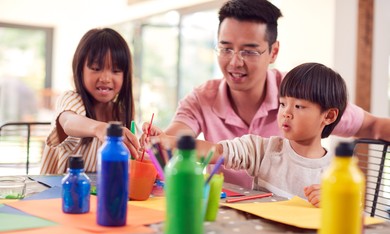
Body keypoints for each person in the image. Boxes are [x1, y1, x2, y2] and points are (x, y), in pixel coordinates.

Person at [142, 0, 390, 188]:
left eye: (249, 51)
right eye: (225, 49)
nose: (235, 62)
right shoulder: (202, 98)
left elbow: (375, 126)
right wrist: (159, 141)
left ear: (273, 52)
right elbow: (176, 140)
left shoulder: (302, 94)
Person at [147, 62, 348, 207]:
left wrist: (335, 201)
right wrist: (167, 141)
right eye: (283, 103)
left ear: (329, 116)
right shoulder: (262, 149)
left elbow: (351, 216)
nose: (286, 112)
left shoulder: (338, 172)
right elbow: (215, 151)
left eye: (298, 106)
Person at [40, 28, 140, 174]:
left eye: (116, 70)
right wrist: (100, 128)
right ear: (80, 70)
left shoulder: (121, 113)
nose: (105, 78)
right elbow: (69, 121)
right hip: (55, 193)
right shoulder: (71, 100)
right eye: (96, 68)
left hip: (98, 194)